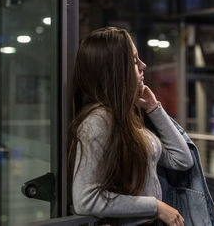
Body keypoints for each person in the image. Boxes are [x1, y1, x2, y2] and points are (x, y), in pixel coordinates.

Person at [68, 27, 194, 226]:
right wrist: (156, 206)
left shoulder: (125, 118)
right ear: (115, 70)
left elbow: (182, 160)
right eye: (134, 61)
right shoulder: (97, 121)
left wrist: (154, 108)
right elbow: (86, 200)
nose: (143, 65)